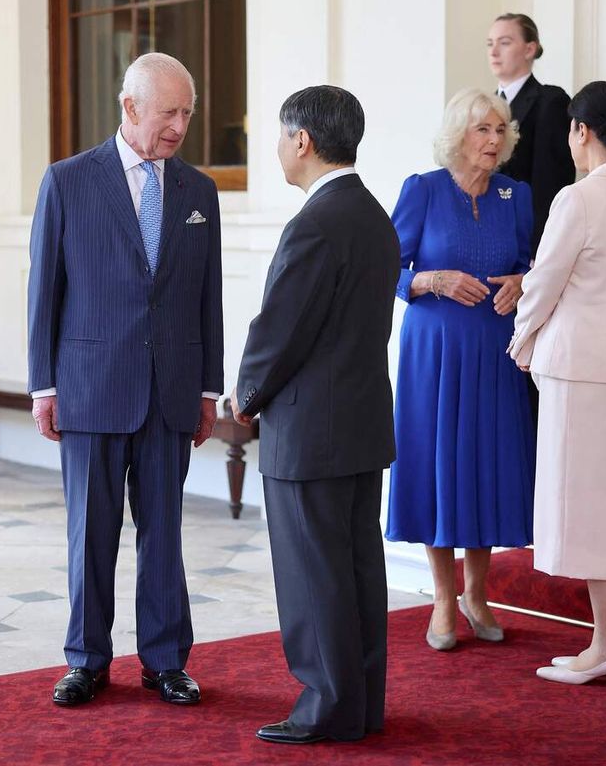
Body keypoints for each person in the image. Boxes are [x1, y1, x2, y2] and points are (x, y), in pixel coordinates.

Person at [27, 52, 223, 707]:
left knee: (164, 532)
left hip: (171, 390)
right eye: (169, 112)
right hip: (89, 386)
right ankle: (86, 658)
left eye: (187, 113)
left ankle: (167, 660)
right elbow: (44, 292)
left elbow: (207, 297)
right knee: (91, 531)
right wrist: (42, 386)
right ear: (130, 107)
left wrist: (207, 388)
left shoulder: (199, 192)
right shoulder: (67, 181)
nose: (179, 126)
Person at [231, 85, 400, 745]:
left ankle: (326, 706)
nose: (277, 146)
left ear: (303, 140)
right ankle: (359, 702)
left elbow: (281, 330)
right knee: (356, 570)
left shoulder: (316, 223)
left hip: (309, 432)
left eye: (280, 134)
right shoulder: (373, 216)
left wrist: (243, 396)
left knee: (315, 576)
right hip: (359, 424)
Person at [509, 81, 606, 687]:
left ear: (582, 131)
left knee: (595, 509)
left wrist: (521, 342)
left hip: (577, 369)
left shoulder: (578, 199)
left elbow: (542, 284)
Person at [386, 89, 535, 653]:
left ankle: (478, 594)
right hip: (436, 350)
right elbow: (388, 268)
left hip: (496, 349)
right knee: (439, 466)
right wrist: (433, 280)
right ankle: (444, 600)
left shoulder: (514, 195)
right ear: (458, 135)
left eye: (500, 130)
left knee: (484, 464)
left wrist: (522, 282)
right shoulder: (422, 190)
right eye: (482, 130)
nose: (493, 141)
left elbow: (527, 263)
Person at [488, 12, 575, 418]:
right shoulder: (486, 106)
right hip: (489, 246)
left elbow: (550, 186)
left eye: (504, 41)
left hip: (528, 248)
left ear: (530, 48)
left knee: (527, 364)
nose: (494, 50)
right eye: (490, 42)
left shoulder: (550, 101)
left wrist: (536, 261)